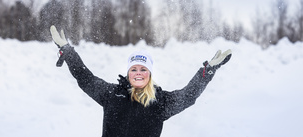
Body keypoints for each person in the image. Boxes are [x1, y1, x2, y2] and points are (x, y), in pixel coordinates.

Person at [50, 25, 232, 137]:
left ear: (150, 74)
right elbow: (86, 79)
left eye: (143, 69)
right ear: (128, 72)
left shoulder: (160, 102)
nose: (138, 73)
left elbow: (187, 96)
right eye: (134, 69)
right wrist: (68, 52)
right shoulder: (112, 94)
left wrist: (207, 71)